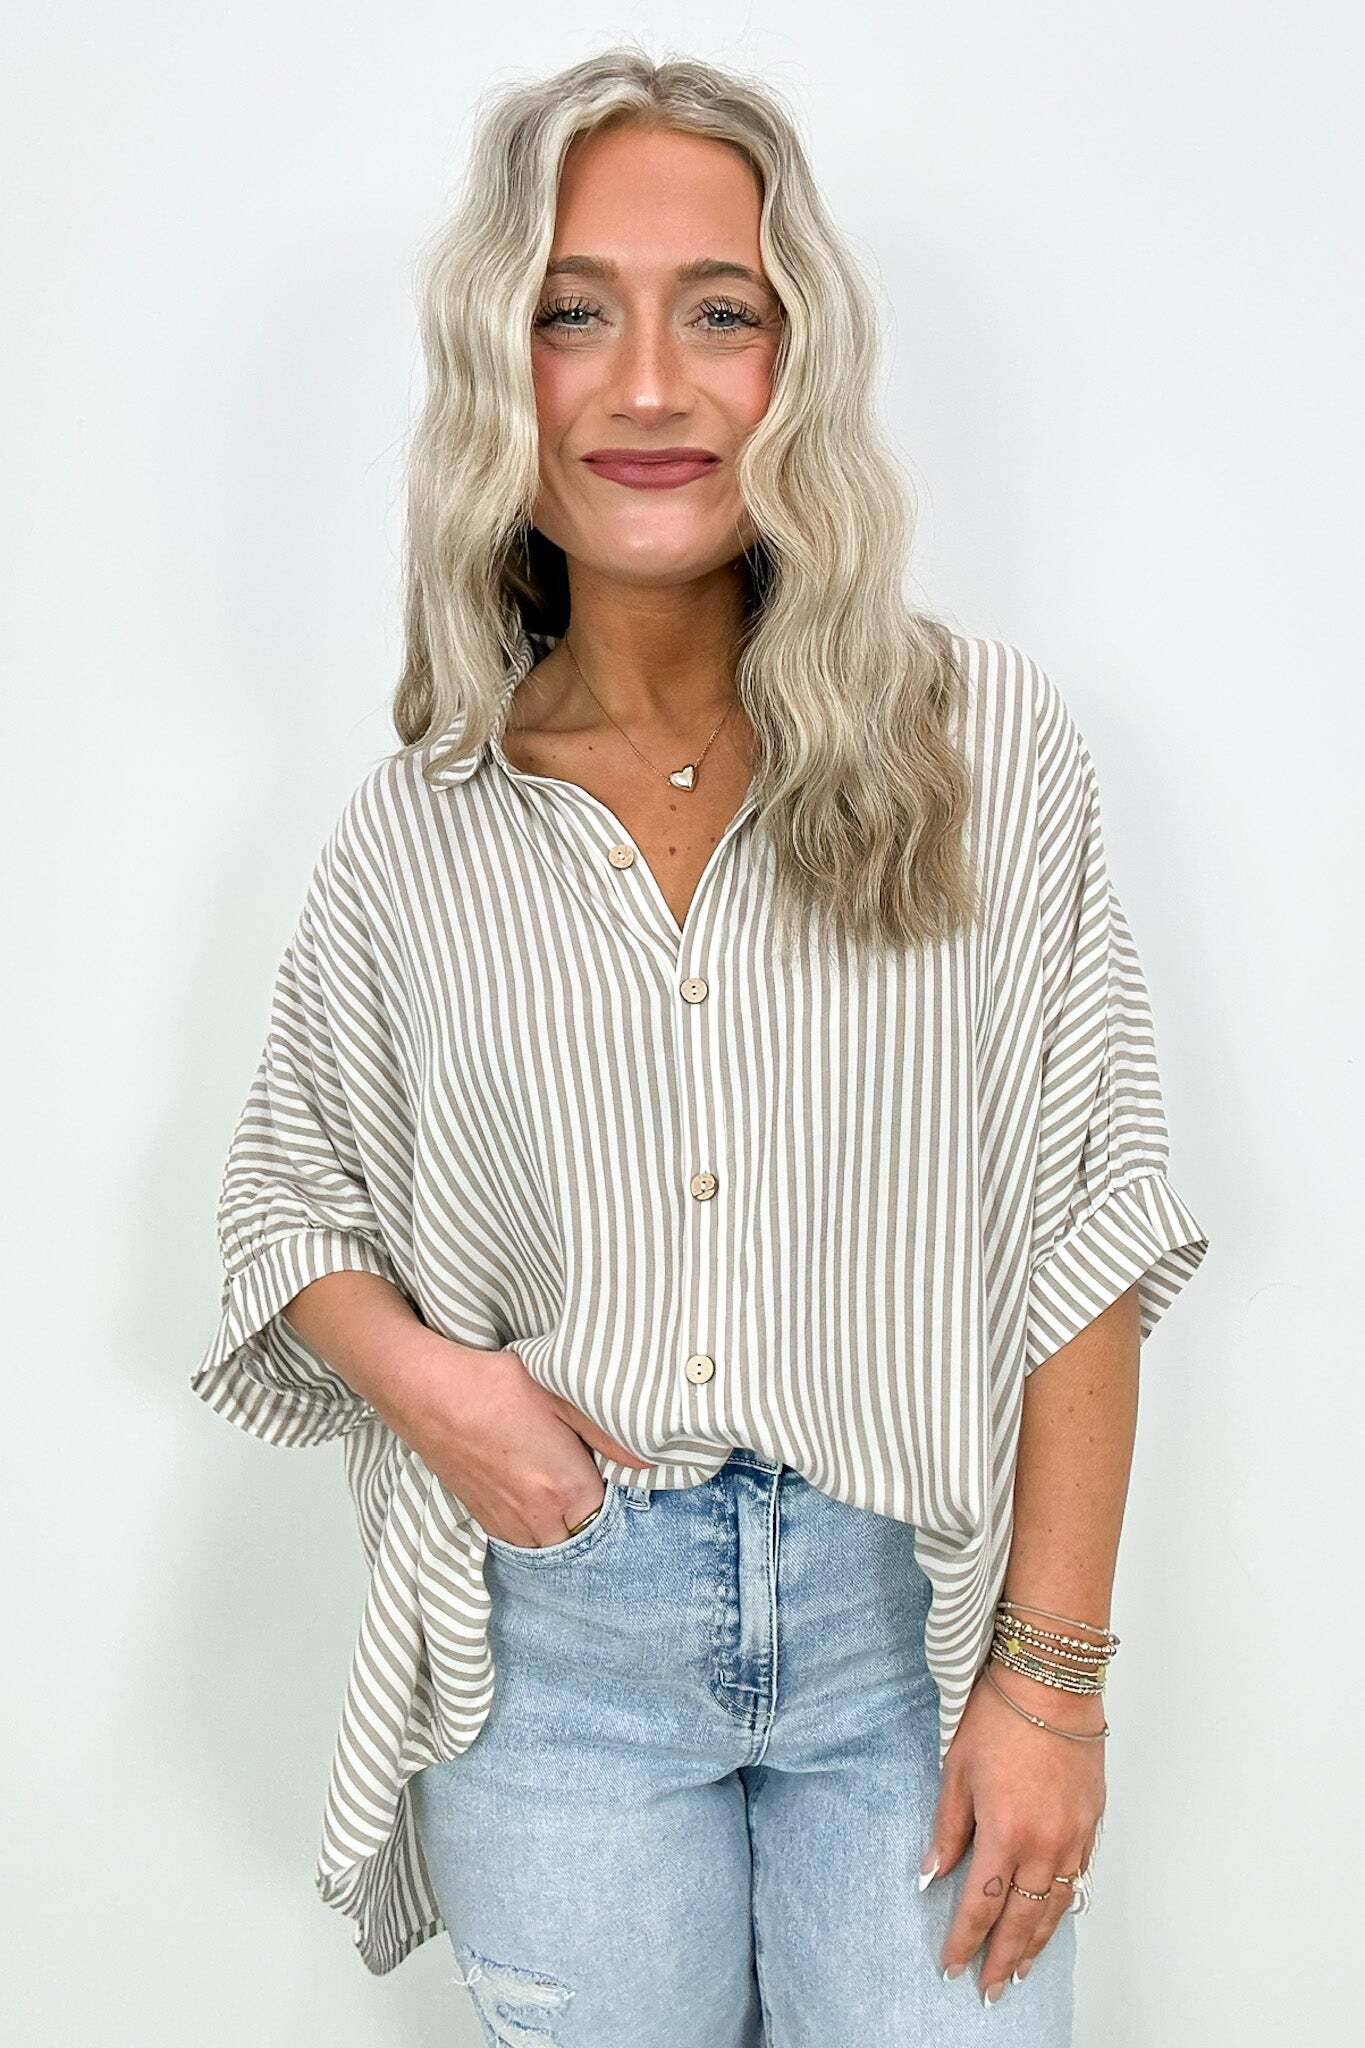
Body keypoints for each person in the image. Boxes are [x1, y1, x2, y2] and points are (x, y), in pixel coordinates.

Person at [190, 45, 1210, 2045]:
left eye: (717, 313)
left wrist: (1052, 1682)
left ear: (795, 362)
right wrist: (444, 1395)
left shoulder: (982, 745)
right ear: (499, 371)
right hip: (557, 1664)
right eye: (573, 312)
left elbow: (1087, 1221)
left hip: (908, 1648)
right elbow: (284, 1203)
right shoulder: (424, 821)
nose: (646, 385)